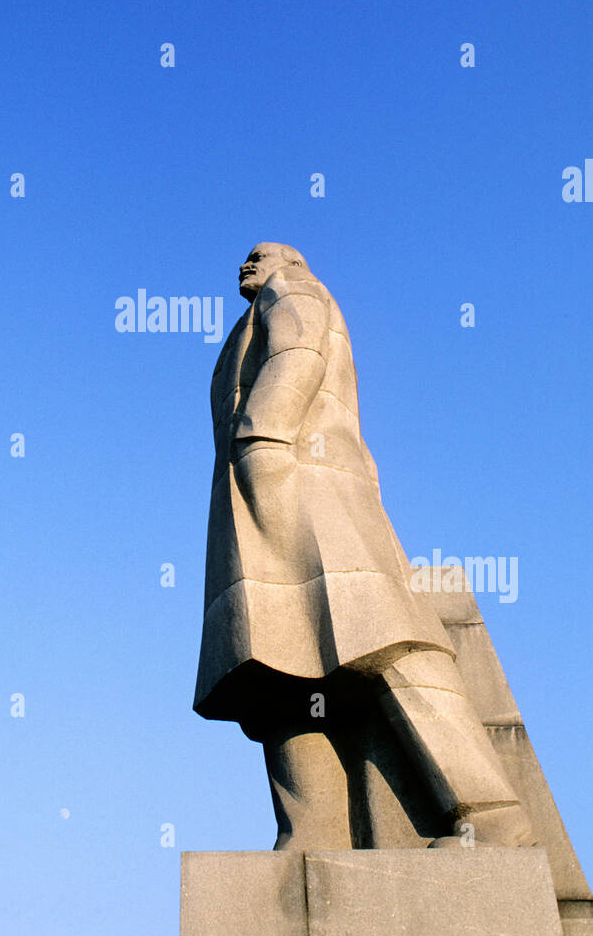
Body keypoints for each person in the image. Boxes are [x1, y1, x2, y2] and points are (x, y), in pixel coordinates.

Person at [194, 242, 535, 849]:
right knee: (281, 663)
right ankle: (311, 833)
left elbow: (297, 353)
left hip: (298, 478)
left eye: (260, 254)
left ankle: (491, 818)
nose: (245, 264)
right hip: (264, 492)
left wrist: (262, 436)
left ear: (290, 261)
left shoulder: (293, 289)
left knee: (382, 642)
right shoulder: (250, 316)